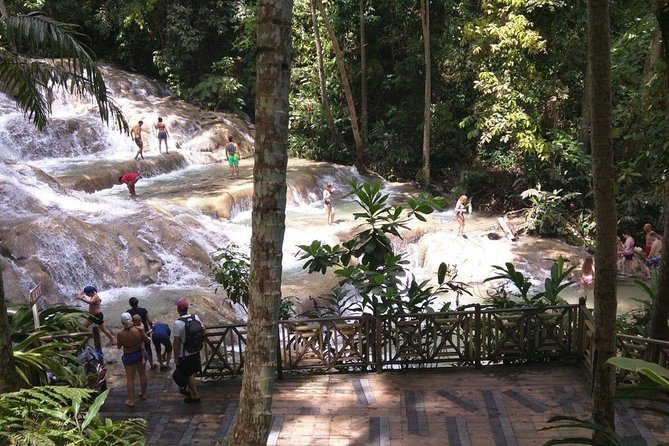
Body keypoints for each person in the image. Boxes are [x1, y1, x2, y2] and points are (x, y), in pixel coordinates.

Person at [116, 312, 150, 408]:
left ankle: (131, 400)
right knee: (142, 374)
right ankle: (143, 394)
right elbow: (146, 340)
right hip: (140, 353)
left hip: (128, 356)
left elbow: (118, 346)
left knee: (130, 378)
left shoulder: (120, 334)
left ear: (122, 322)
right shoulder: (138, 330)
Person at [173, 298, 203, 403]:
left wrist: (176, 357)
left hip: (184, 354)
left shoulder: (178, 323)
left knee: (188, 373)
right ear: (187, 308)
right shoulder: (196, 317)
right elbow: (203, 330)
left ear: (178, 310)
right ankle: (190, 390)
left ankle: (195, 395)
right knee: (192, 372)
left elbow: (176, 343)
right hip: (195, 350)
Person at [127, 297, 156, 370]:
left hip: (134, 333)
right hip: (145, 332)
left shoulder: (128, 313)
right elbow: (149, 322)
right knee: (148, 348)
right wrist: (152, 328)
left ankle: (137, 366)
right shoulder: (143, 310)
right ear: (138, 302)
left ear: (130, 304)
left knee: (135, 349)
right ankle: (152, 365)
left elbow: (127, 324)